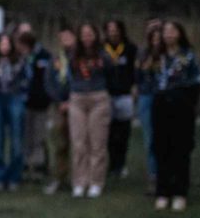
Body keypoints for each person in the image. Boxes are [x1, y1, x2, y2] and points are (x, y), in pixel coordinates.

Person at [152, 21, 200, 211]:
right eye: (165, 31)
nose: (168, 34)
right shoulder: (156, 56)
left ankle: (180, 192)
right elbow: (147, 78)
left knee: (180, 149)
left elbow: (197, 80)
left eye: (173, 31)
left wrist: (187, 102)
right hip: (160, 106)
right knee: (161, 148)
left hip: (182, 106)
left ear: (180, 34)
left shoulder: (187, 56)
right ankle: (162, 192)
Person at [68, 23, 112, 198]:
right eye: (83, 34)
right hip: (77, 99)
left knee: (97, 142)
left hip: (98, 98)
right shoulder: (73, 54)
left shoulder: (103, 54)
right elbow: (69, 74)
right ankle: (79, 181)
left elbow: (111, 73)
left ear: (95, 35)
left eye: (90, 34)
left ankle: (96, 182)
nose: (87, 37)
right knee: (79, 142)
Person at [0, 33, 28, 192]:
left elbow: (26, 80)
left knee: (16, 142)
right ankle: (0, 176)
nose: (4, 46)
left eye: (7, 43)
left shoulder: (20, 61)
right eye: (1, 43)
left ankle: (14, 177)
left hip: (15, 99)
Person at [44, 24, 76, 195]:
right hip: (58, 107)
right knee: (59, 143)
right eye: (62, 38)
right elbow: (48, 82)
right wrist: (59, 101)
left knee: (77, 143)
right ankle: (59, 178)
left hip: (77, 104)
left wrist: (71, 100)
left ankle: (76, 178)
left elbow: (81, 80)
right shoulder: (56, 58)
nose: (65, 41)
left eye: (68, 37)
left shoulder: (80, 57)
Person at [103, 20, 138, 179]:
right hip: (107, 95)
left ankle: (121, 164)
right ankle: (111, 164)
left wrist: (135, 86)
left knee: (123, 132)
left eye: (115, 29)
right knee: (109, 133)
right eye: (110, 30)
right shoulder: (102, 49)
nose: (113, 32)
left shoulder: (130, 48)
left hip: (125, 95)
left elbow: (136, 70)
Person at [16, 31, 52, 183]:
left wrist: (47, 97)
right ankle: (25, 167)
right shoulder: (21, 58)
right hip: (25, 103)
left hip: (40, 103)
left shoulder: (44, 56)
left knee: (38, 136)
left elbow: (47, 79)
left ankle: (38, 168)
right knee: (26, 137)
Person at [136, 22, 163, 193]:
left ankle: (170, 175)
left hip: (166, 96)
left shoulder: (171, 54)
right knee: (151, 139)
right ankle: (153, 176)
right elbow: (137, 76)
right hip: (147, 96)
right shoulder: (142, 53)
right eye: (153, 35)